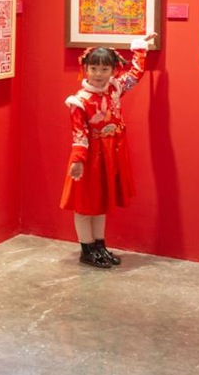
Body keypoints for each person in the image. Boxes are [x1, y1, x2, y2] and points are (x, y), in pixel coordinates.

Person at [60, 33, 156, 269]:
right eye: (93, 68)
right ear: (85, 69)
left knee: (101, 201)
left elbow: (135, 74)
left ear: (113, 70)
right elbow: (79, 133)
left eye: (104, 69)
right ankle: (87, 248)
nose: (98, 74)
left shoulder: (114, 88)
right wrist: (78, 160)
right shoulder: (79, 101)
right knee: (85, 204)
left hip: (111, 153)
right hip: (90, 157)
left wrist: (140, 48)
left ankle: (99, 246)